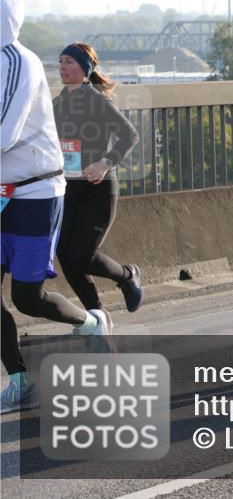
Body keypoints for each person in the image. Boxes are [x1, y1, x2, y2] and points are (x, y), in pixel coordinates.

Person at [1, 0, 110, 414]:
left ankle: (90, 322)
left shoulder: (19, 62)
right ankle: (19, 380)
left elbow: (5, 134)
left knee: (28, 299)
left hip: (34, 193)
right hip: (2, 192)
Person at [54, 43, 143, 324]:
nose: (63, 67)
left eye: (69, 61)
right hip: (67, 190)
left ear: (85, 69)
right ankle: (98, 317)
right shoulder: (57, 104)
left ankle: (128, 277)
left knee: (82, 256)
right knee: (65, 255)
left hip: (98, 190)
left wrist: (105, 163)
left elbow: (129, 135)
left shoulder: (97, 101)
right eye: (61, 61)